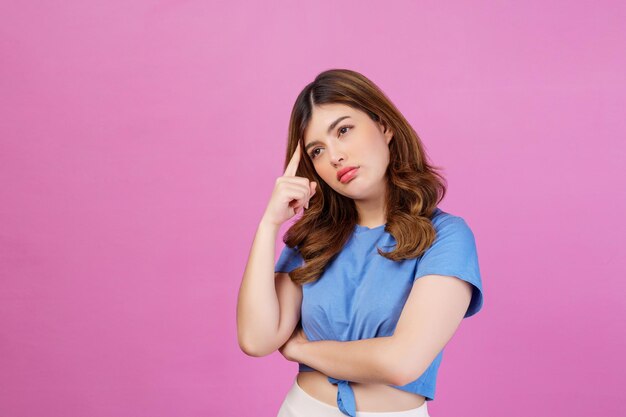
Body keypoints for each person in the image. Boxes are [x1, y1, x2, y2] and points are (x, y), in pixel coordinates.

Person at [237, 69, 484, 417]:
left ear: (384, 125)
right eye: (318, 150)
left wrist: (300, 350)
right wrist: (269, 223)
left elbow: (402, 361)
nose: (335, 155)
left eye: (343, 130)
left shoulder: (445, 237)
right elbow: (256, 339)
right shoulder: (314, 240)